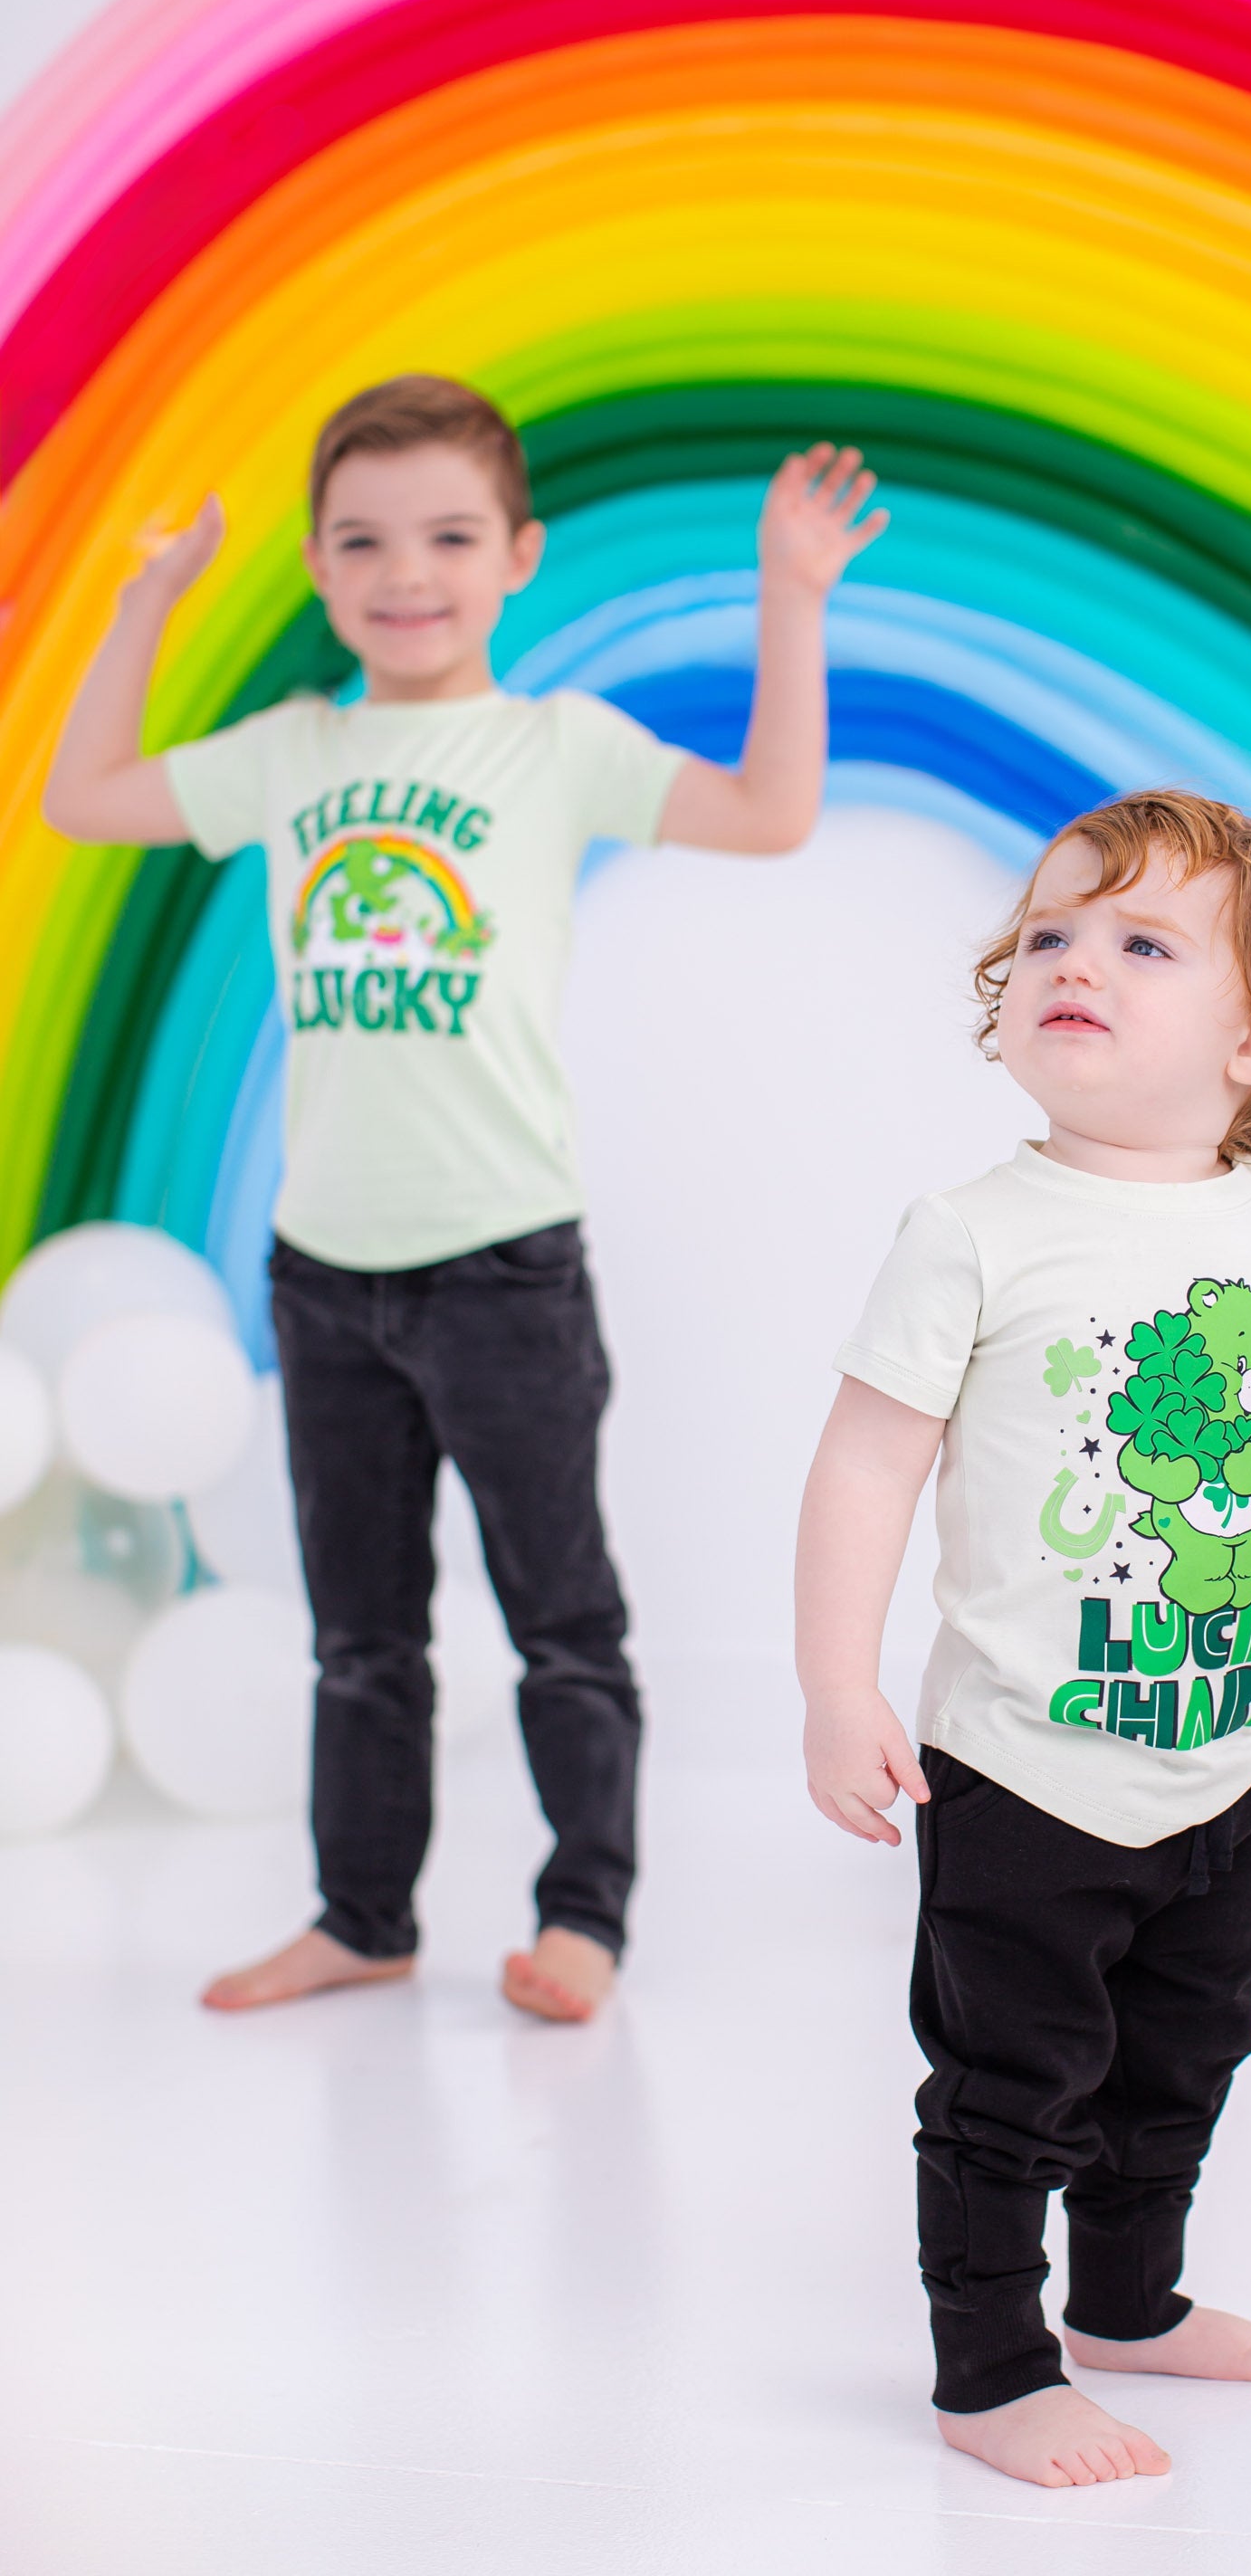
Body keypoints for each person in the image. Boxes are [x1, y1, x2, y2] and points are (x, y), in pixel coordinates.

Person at [44, 374, 885, 2022]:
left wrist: (790, 597)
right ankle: (362, 1918)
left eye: (446, 535)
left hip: (505, 1271)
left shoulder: (553, 748)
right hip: (324, 1272)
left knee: (561, 1618)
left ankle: (586, 1918)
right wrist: (145, 599)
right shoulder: (293, 754)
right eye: (361, 541)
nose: (404, 571)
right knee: (362, 1636)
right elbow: (85, 797)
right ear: (316, 566)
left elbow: (770, 815)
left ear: (517, 556)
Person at [793, 787, 1251, 2487]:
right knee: (1009, 2082)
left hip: (1230, 1753)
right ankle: (990, 2371)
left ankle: (1127, 2300)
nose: (1072, 962)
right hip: (1025, 1768)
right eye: (1047, 931)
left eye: (1140, 942)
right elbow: (867, 1461)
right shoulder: (972, 1232)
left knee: (1189, 2051)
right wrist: (836, 1685)